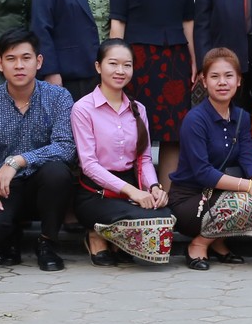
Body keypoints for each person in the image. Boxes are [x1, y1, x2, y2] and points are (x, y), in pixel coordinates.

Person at [0, 28, 77, 271]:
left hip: (42, 186)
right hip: (3, 189)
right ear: (0, 64)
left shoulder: (59, 97)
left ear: (38, 61)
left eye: (26, 58)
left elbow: (66, 148)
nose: (19, 65)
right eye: (11, 59)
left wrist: (19, 160)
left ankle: (47, 242)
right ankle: (10, 236)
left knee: (58, 173)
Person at [109, 0, 197, 185]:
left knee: (173, 131)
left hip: (175, 59)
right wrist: (114, 64)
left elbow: (188, 21)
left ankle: (168, 196)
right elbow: (118, 20)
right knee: (135, 128)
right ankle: (138, 191)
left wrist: (195, 60)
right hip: (137, 59)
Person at [167, 48, 252, 270]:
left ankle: (217, 242)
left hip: (218, 195)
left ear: (239, 80)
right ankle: (198, 245)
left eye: (229, 76)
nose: (222, 82)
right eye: (214, 76)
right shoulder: (194, 120)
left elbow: (250, 161)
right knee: (246, 201)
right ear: (204, 80)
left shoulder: (242, 117)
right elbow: (203, 173)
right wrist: (250, 187)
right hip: (190, 200)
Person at [70, 40, 176, 267]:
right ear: (98, 67)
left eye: (127, 65)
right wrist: (133, 193)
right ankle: (95, 235)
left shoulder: (138, 109)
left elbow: (144, 159)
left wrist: (154, 188)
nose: (120, 71)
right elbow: (88, 165)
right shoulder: (83, 108)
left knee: (163, 216)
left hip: (131, 185)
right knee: (144, 219)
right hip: (95, 191)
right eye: (113, 64)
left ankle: (118, 238)